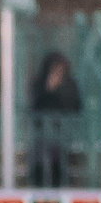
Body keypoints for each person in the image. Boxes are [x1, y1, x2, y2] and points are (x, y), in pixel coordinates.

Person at [26, 50, 82, 189]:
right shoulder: (38, 83)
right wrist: (48, 90)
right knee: (40, 164)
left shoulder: (70, 85)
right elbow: (35, 105)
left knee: (60, 166)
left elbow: (75, 105)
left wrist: (59, 91)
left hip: (62, 134)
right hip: (42, 134)